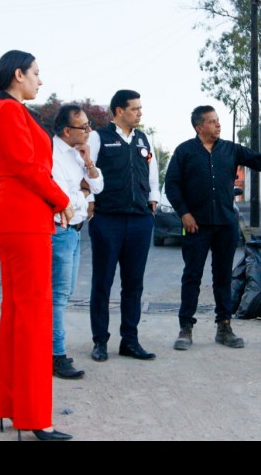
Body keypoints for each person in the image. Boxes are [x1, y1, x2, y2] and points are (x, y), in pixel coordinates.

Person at [0, 50, 73, 441]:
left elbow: (27, 165)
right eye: (36, 73)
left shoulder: (10, 110)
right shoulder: (8, 111)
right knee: (33, 319)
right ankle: (35, 417)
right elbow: (26, 166)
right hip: (22, 220)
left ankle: (12, 407)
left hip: (20, 218)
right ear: (18, 74)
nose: (40, 80)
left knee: (18, 316)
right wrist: (62, 199)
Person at [165, 105, 261, 351]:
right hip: (196, 226)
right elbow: (172, 185)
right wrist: (184, 213)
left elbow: (258, 160)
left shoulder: (230, 149)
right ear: (199, 127)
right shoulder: (184, 151)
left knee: (222, 277)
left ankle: (224, 327)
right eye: (212, 121)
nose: (218, 125)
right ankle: (185, 328)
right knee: (192, 276)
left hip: (225, 224)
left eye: (218, 120)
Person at [87, 90, 159, 362]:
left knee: (133, 284)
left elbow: (152, 172)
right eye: (134, 109)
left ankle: (130, 340)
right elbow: (87, 171)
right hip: (107, 219)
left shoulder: (143, 139)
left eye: (140, 108)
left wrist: (153, 198)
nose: (140, 113)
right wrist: (90, 202)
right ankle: (100, 341)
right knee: (102, 283)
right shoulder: (99, 138)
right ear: (119, 111)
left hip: (139, 220)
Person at [50, 104, 104, 379]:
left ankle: (52, 350)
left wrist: (89, 164)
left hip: (75, 231)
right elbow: (62, 200)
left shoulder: (77, 153)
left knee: (66, 292)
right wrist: (83, 193)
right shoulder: (53, 154)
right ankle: (56, 355)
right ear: (66, 130)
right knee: (58, 296)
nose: (89, 131)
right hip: (59, 230)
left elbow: (98, 186)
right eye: (83, 127)